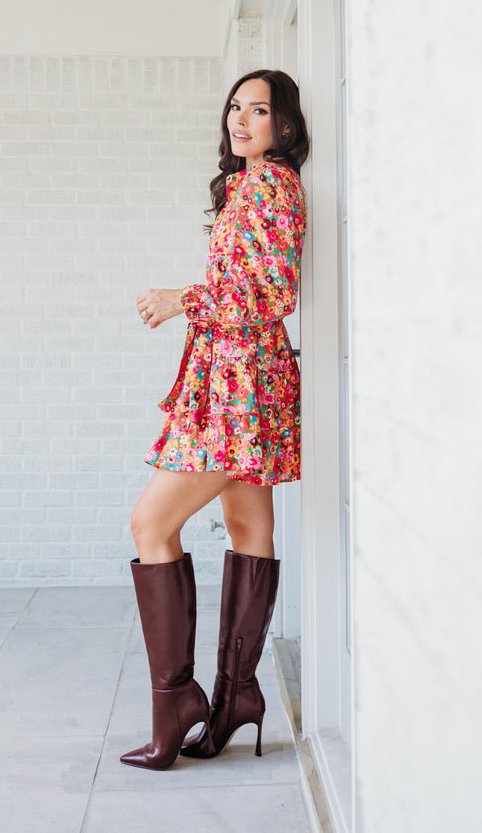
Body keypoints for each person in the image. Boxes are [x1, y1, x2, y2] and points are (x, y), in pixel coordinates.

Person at [120, 69, 309, 771]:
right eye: (236, 107)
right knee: (247, 526)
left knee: (150, 524)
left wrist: (182, 299)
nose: (242, 119)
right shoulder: (249, 185)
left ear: (283, 125)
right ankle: (236, 696)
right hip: (235, 379)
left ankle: (176, 702)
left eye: (258, 110)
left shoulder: (270, 185)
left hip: (238, 385)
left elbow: (271, 292)